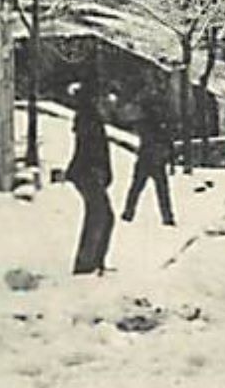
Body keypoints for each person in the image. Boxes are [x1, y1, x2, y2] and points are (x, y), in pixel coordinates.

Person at [66, 81, 117, 275]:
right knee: (100, 215)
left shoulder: (90, 119)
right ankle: (87, 264)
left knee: (102, 215)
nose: (107, 102)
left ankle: (93, 262)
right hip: (88, 173)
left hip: (89, 172)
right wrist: (95, 171)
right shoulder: (89, 120)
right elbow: (88, 150)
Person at [121, 89, 176, 227]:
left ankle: (128, 213)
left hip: (146, 158)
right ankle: (167, 217)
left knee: (137, 187)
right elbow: (167, 140)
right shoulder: (159, 125)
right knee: (161, 190)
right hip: (155, 159)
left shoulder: (145, 122)